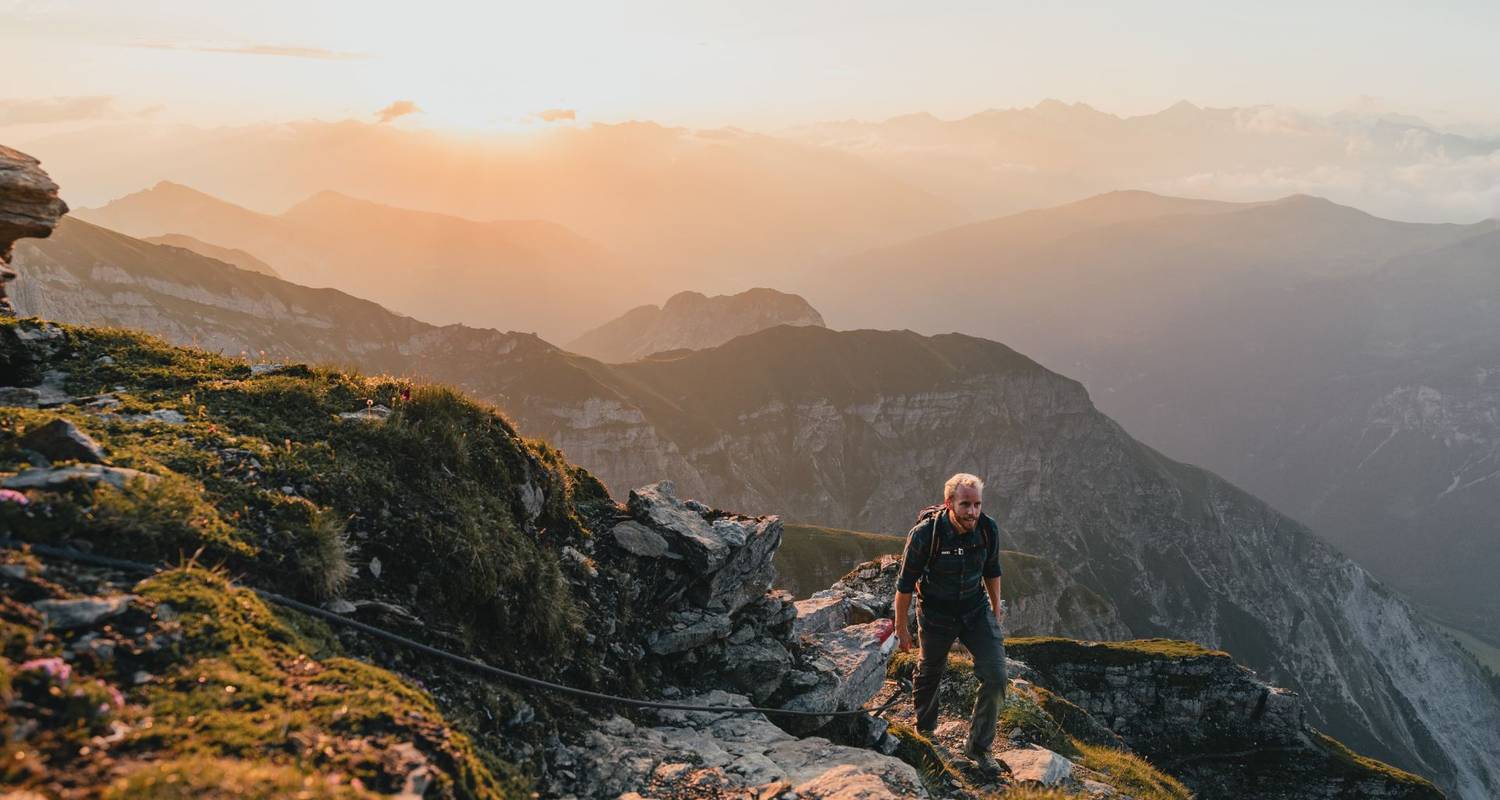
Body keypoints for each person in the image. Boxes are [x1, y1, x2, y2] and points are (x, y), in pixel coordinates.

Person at [894, 472, 1007, 772]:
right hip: (935, 613)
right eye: (965, 505)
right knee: (930, 670)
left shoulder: (987, 529)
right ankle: (926, 732)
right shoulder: (924, 535)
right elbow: (905, 585)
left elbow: (992, 570)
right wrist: (901, 628)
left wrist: (996, 610)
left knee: (996, 676)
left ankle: (979, 748)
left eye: (977, 505)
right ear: (949, 504)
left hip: (975, 609)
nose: (972, 512)